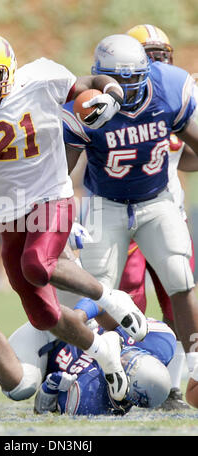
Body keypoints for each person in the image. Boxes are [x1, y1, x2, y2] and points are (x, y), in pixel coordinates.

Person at [0, 32, 148, 402]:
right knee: (43, 315)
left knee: (38, 263)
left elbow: (93, 83)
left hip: (52, 193)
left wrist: (111, 95)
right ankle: (103, 352)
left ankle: (112, 299)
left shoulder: (41, 78)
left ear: (11, 70)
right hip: (9, 214)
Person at [62, 33, 198, 408]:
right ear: (99, 78)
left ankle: (196, 371)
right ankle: (107, 370)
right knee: (102, 293)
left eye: (133, 79)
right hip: (106, 203)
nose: (125, 89)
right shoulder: (85, 106)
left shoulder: (169, 87)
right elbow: (61, 170)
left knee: (180, 279)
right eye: (115, 81)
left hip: (158, 200)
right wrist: (64, 214)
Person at [0, 269, 173, 416]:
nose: (126, 356)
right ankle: (63, 241)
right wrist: (78, 319)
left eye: (127, 366)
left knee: (20, 387)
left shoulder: (92, 400)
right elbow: (108, 302)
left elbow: (43, 410)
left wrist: (49, 390)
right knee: (68, 274)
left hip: (44, 345)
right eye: (134, 355)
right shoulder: (160, 341)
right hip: (79, 320)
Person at [118, 24, 198, 410]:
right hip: (123, 216)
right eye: (145, 54)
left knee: (178, 298)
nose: (154, 62)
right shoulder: (114, 99)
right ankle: (130, 379)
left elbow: (191, 158)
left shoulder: (175, 97)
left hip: (168, 212)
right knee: (128, 302)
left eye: (160, 54)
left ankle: (175, 386)